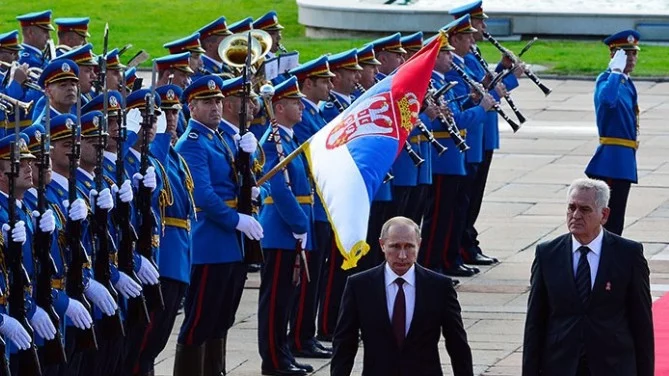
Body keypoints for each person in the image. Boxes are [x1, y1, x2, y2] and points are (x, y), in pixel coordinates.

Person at [174, 75, 262, 376]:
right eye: (207, 102)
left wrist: (247, 168)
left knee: (222, 318)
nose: (216, 107)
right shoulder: (192, 143)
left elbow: (233, 181)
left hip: (231, 244)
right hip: (210, 243)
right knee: (200, 319)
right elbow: (203, 195)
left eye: (218, 101)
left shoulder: (220, 137)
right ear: (192, 107)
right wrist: (236, 219)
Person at [522, 177, 653, 376]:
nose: (575, 215)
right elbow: (535, 323)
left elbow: (642, 324)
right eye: (571, 208)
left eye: (585, 209)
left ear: (604, 214)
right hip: (560, 365)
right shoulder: (547, 254)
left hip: (613, 366)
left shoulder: (628, 255)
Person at [331, 216, 473, 376]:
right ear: (382, 245)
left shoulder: (439, 287)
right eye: (395, 247)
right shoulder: (360, 286)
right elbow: (344, 343)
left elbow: (457, 344)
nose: (402, 255)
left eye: (409, 247)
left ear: (419, 245)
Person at [257, 76, 314, 376]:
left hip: (291, 229)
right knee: (276, 301)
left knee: (288, 299)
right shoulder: (273, 142)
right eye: (295, 102)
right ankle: (274, 361)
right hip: (281, 230)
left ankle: (284, 354)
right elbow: (278, 189)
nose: (301, 106)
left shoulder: (288, 138)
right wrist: (299, 223)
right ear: (278, 107)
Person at [584, 30, 641, 237]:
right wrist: (615, 72)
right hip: (610, 161)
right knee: (608, 221)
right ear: (615, 55)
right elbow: (607, 102)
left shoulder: (626, 83)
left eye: (634, 54)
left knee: (617, 220)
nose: (632, 59)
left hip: (624, 159)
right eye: (627, 54)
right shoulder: (607, 79)